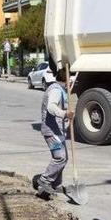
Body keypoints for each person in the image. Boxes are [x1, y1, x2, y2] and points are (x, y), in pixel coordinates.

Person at [33, 68, 73, 197]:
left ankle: (56, 184)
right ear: (66, 79)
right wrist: (64, 114)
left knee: (63, 158)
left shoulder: (60, 89)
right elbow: (51, 107)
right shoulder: (55, 90)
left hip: (57, 131)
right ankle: (44, 180)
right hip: (51, 132)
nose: (72, 82)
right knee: (60, 158)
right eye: (70, 79)